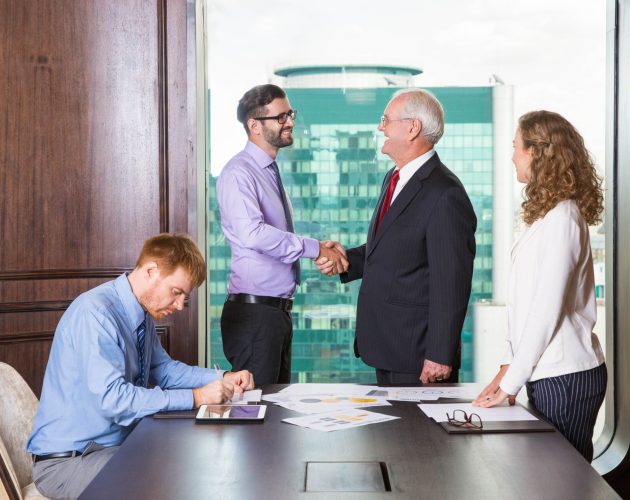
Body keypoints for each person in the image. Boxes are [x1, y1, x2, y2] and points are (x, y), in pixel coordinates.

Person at [27, 233, 254, 499]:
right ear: (151, 271)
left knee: (192, 462)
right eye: (176, 292)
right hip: (68, 463)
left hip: (114, 448)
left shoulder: (140, 314)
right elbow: (114, 400)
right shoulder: (95, 314)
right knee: (171, 481)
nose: (180, 305)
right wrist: (196, 397)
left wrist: (225, 376)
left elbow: (165, 371)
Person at [317, 89, 477, 385]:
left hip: (418, 354)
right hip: (388, 345)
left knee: (418, 433)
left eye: (385, 120)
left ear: (412, 127)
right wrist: (346, 260)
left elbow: (451, 282)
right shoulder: (394, 178)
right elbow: (391, 248)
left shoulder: (445, 193)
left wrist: (440, 354)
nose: (380, 127)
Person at [473, 111, 606, 462]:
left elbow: (546, 309)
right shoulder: (548, 216)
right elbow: (525, 305)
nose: (512, 155)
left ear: (537, 152)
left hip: (566, 377)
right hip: (549, 373)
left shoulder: (563, 218)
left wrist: (509, 383)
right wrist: (507, 363)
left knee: (565, 483)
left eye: (517, 147)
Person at [216, 84, 348, 385]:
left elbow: (274, 234)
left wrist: (320, 247)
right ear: (254, 125)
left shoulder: (268, 171)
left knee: (274, 413)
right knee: (258, 414)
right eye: (281, 117)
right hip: (254, 316)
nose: (290, 122)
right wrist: (315, 249)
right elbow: (253, 234)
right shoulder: (240, 173)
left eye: (291, 114)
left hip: (274, 314)